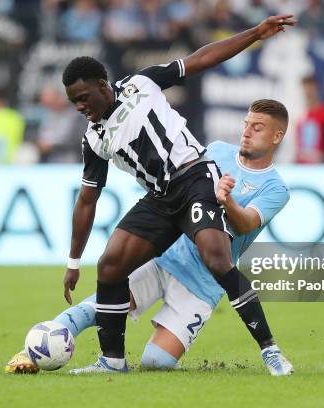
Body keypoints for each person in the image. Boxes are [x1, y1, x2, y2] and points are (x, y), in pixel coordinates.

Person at [60, 14, 296, 374]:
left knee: (217, 258)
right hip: (160, 198)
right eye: (73, 102)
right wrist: (73, 261)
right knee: (110, 265)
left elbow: (200, 58)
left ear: (102, 85)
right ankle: (112, 361)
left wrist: (255, 34)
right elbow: (87, 200)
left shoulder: (142, 83)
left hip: (194, 178)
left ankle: (270, 351)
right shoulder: (93, 140)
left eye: (82, 97)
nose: (79, 106)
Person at [6, 100, 292, 375]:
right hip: (166, 256)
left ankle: (267, 350)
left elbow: (245, 224)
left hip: (203, 284)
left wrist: (226, 200)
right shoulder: (216, 150)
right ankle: (30, 352)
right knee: (94, 307)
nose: (247, 131)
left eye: (258, 127)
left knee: (157, 362)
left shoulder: (276, 187)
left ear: (277, 136)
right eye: (247, 124)